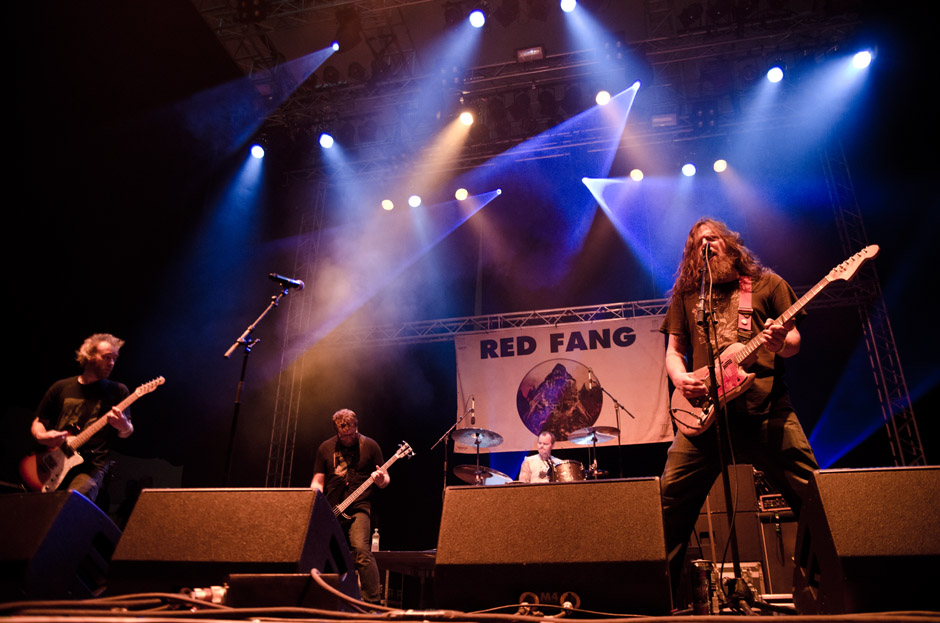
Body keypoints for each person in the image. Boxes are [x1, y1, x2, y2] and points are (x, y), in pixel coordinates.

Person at [659, 218, 819, 598]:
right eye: (698, 243)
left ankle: (824, 586)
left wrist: (780, 342)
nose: (706, 245)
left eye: (712, 238)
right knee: (667, 504)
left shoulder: (767, 284)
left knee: (814, 497)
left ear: (730, 244)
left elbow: (794, 339)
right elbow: (673, 352)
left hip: (766, 411)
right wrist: (681, 379)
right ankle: (658, 596)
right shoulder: (686, 295)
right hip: (704, 420)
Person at [30, 333, 134, 502]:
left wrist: (123, 425)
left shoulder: (119, 391)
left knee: (71, 506)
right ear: (89, 356)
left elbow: (127, 432)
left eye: (114, 358)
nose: (112, 363)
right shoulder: (61, 387)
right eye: (107, 357)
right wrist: (42, 436)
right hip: (58, 458)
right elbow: (39, 421)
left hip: (92, 465)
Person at [311, 409, 388, 604]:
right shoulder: (325, 448)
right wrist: (315, 502)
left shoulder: (369, 445)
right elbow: (318, 481)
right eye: (344, 435)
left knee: (362, 550)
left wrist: (380, 479)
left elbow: (385, 478)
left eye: (352, 433)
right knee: (325, 552)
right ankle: (326, 599)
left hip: (359, 505)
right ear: (337, 431)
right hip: (331, 508)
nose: (348, 438)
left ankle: (372, 604)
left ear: (356, 426)